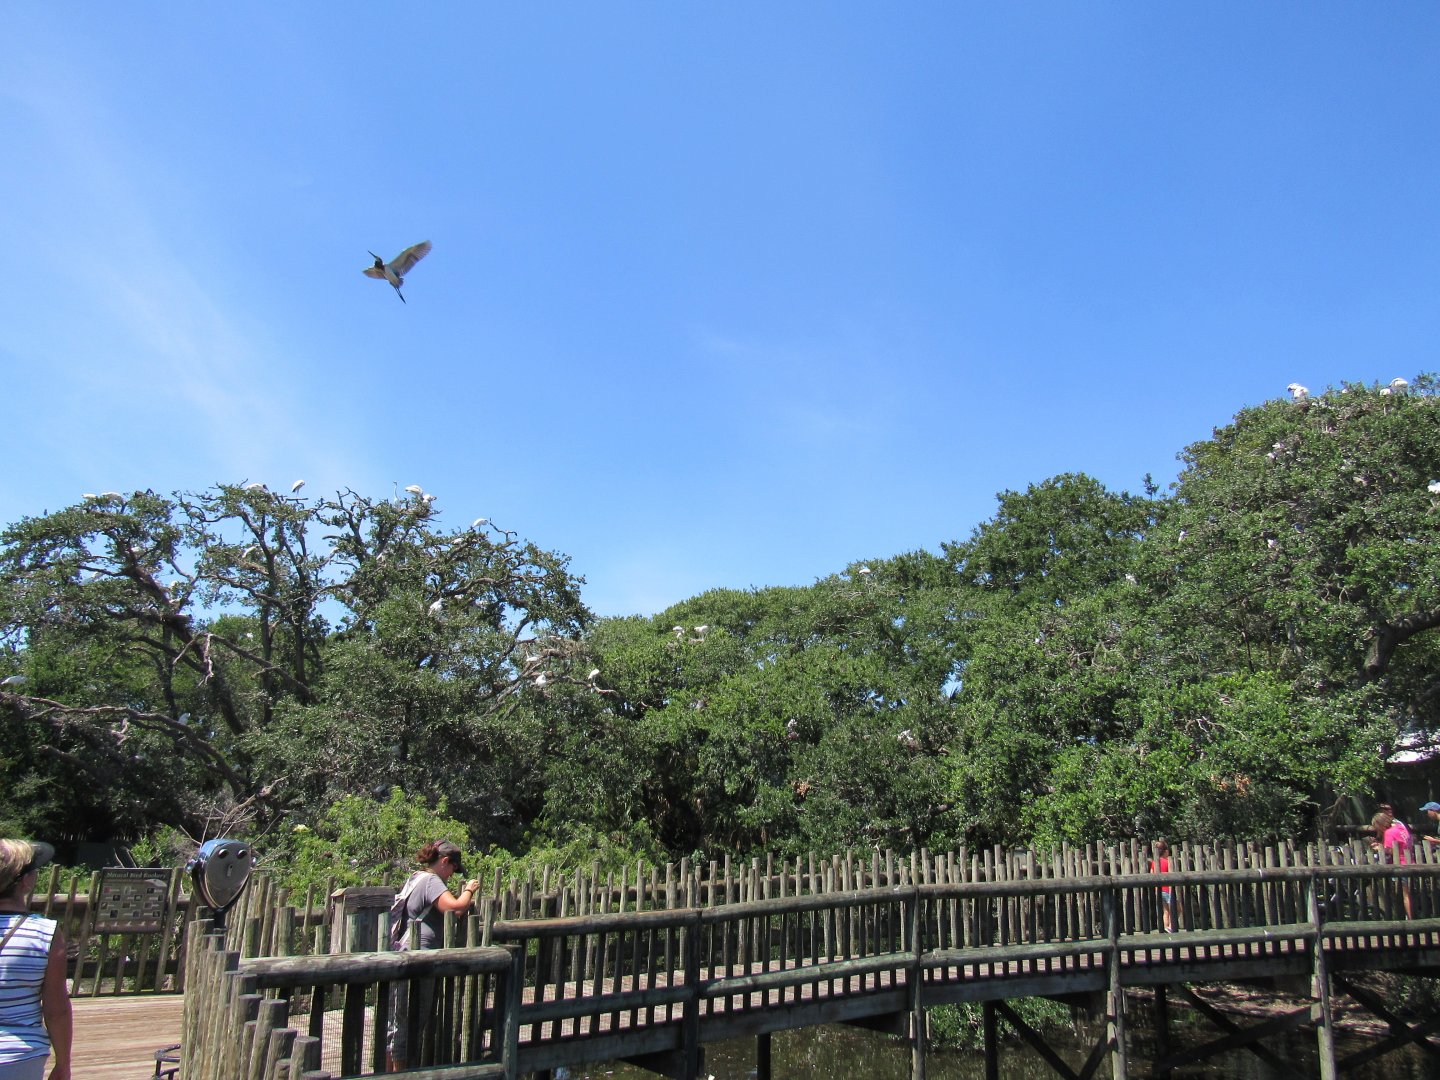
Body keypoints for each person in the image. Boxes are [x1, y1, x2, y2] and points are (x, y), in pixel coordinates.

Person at [387, 841, 481, 1072]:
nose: (451, 876)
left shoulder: (416, 877)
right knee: (410, 1021)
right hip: (418, 959)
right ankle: (402, 1075)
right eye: (452, 869)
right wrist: (469, 889)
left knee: (397, 1022)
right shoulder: (431, 880)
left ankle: (389, 1074)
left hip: (405, 955)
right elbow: (456, 908)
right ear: (445, 862)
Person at [0, 840, 70, 1080]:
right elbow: (56, 1009)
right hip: (19, 1057)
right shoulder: (44, 933)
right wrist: (63, 1063)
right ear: (25, 882)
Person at [1148, 839, 1175, 932]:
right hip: (1168, 890)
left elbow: (1152, 874)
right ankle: (1171, 927)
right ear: (1166, 851)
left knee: (1166, 911)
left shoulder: (1154, 862)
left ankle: (1166, 928)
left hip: (1159, 890)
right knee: (1176, 909)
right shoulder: (1168, 862)